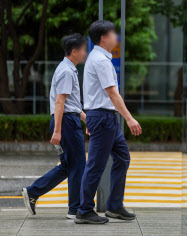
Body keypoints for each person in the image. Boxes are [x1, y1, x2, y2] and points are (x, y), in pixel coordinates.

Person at [75, 20, 142, 224]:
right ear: (104, 37)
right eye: (114, 34)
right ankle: (84, 210)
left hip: (105, 118)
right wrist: (129, 118)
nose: (117, 37)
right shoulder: (101, 61)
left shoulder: (100, 57)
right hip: (103, 118)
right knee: (96, 165)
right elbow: (112, 93)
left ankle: (114, 206)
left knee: (122, 158)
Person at [22, 33, 88, 219]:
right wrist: (58, 130)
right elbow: (60, 103)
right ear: (74, 51)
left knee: (68, 165)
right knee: (78, 166)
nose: (85, 53)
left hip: (66, 120)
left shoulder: (67, 69)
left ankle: (33, 192)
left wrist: (85, 119)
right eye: (83, 50)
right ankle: (75, 210)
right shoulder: (67, 71)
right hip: (66, 123)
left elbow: (71, 105)